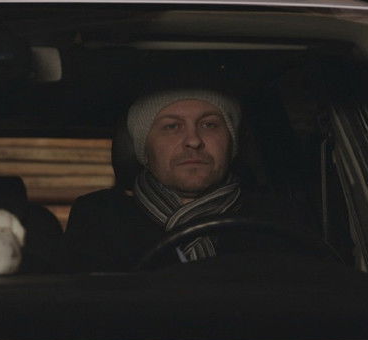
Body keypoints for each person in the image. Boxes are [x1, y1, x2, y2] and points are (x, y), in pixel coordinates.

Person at [62, 89, 300, 272]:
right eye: (172, 126)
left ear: (232, 144)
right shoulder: (102, 219)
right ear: (145, 149)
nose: (193, 141)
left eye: (209, 125)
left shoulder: (275, 218)